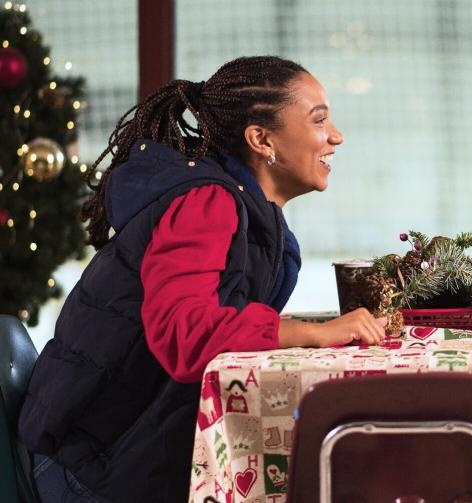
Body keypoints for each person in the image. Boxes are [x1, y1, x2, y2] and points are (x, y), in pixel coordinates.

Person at [19, 56, 393, 502]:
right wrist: (312, 333)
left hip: (123, 455)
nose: (335, 136)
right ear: (261, 139)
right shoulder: (206, 204)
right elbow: (185, 333)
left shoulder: (248, 208)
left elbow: (220, 321)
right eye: (319, 120)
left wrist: (314, 331)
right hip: (93, 470)